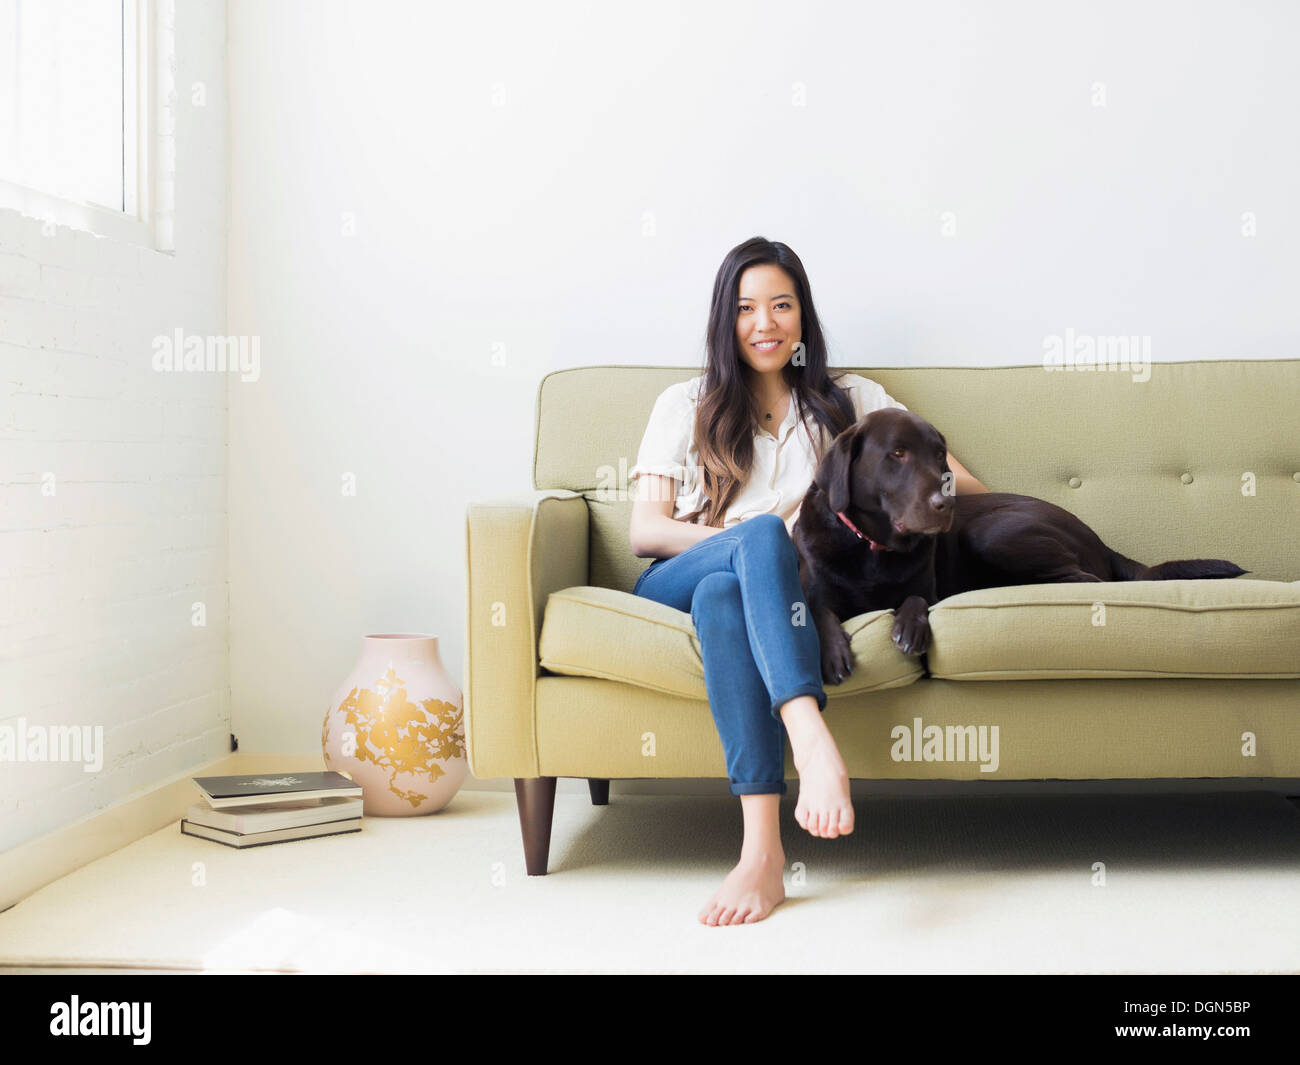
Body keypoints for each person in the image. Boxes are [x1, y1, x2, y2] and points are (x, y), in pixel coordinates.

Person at [627, 236, 988, 926]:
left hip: (745, 598)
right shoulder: (685, 402)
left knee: (726, 599)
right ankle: (812, 738)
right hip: (678, 575)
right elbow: (647, 529)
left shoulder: (850, 400)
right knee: (756, 543)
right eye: (747, 308)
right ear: (724, 321)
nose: (765, 323)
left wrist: (933, 501)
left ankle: (761, 856)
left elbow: (955, 481)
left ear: (803, 315)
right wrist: (748, 545)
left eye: (781, 305)